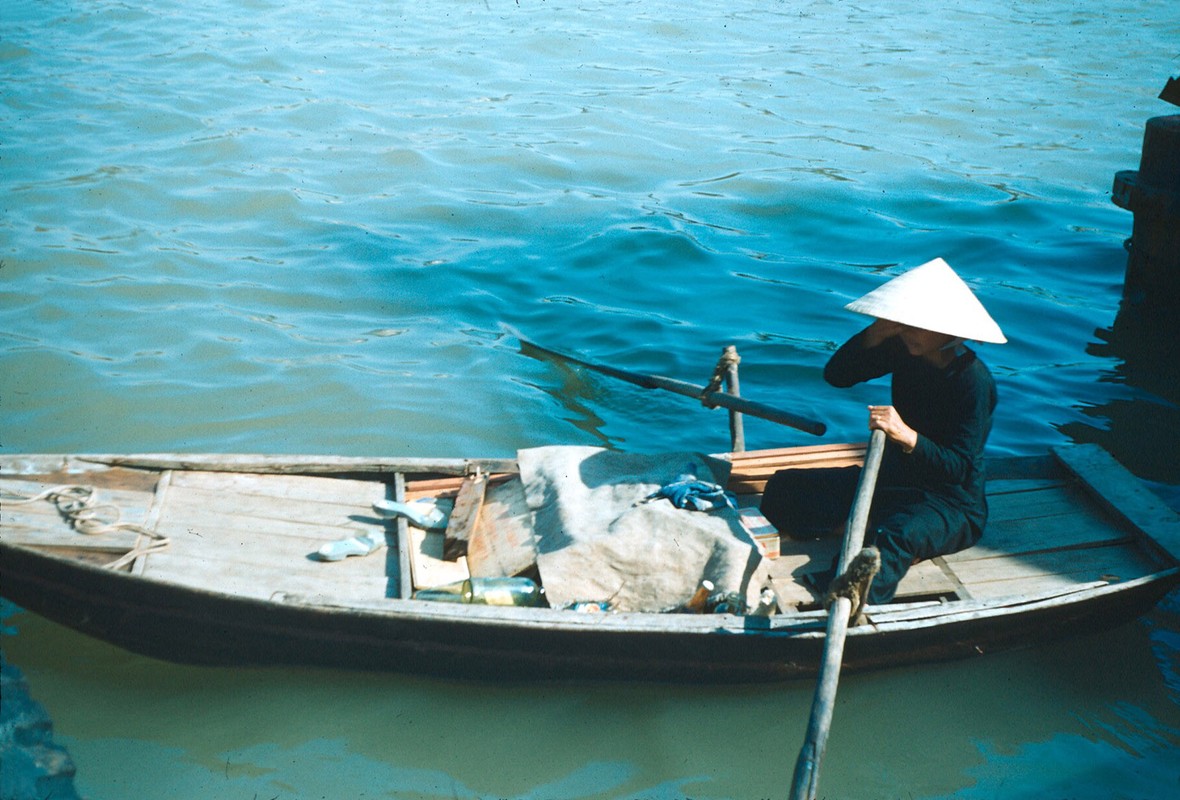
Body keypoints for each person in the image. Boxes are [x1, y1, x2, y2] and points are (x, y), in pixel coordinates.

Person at [760, 257, 1005, 604]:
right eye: (904, 324)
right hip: (891, 481)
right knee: (784, 488)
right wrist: (877, 331)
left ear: (950, 330)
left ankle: (844, 595)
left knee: (892, 537)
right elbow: (838, 375)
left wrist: (907, 436)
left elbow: (959, 469)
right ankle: (852, 525)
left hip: (949, 503)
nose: (908, 332)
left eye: (918, 325)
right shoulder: (905, 349)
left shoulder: (973, 382)